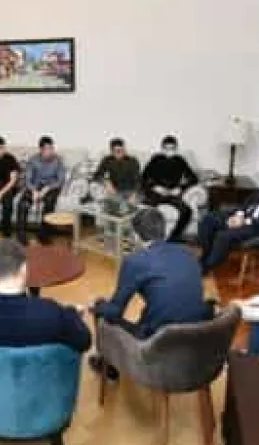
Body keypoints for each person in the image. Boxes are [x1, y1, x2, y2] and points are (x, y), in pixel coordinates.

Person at [88, 208, 209, 379]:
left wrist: (96, 306)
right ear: (164, 230)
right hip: (196, 337)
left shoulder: (135, 261)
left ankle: (109, 366)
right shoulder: (188, 252)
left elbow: (115, 312)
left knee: (102, 310)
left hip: (158, 342)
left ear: (136, 236)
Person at [0, 239, 91, 352]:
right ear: (24, 269)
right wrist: (72, 314)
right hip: (37, 380)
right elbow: (84, 342)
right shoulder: (51, 312)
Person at [140, 135, 198, 241]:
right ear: (162, 149)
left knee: (187, 211)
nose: (169, 151)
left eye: (172, 149)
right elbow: (143, 178)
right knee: (145, 209)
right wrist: (154, 186)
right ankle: (149, 238)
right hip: (157, 192)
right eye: (166, 148)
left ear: (176, 149)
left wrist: (180, 188)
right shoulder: (155, 159)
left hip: (172, 193)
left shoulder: (180, 160)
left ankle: (172, 238)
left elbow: (194, 178)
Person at [15, 136, 66, 246]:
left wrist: (47, 188)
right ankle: (21, 236)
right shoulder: (33, 160)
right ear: (41, 150)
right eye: (47, 149)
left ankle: (44, 235)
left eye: (52, 148)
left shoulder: (58, 160)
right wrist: (34, 191)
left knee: (50, 202)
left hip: (51, 187)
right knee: (22, 204)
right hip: (35, 186)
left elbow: (60, 180)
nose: (50, 151)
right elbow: (28, 179)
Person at [93, 137, 140, 202]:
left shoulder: (133, 161)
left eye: (122, 150)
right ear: (112, 151)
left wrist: (134, 194)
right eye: (117, 151)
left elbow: (138, 180)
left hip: (130, 192)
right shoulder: (107, 160)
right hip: (115, 191)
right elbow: (97, 175)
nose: (120, 153)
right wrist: (106, 182)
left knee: (130, 204)